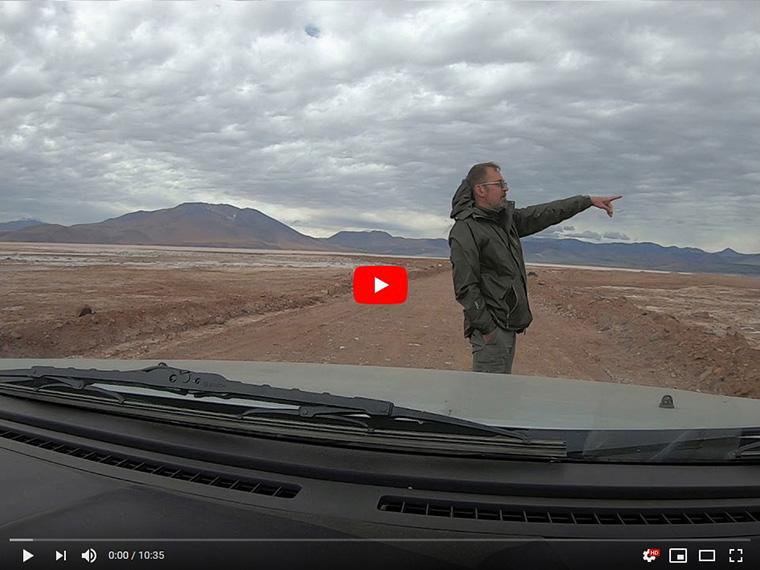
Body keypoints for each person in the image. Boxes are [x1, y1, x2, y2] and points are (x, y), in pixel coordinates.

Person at [449, 161, 622, 374]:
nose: (506, 188)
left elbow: (546, 213)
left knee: (498, 393)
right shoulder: (466, 229)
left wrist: (586, 201)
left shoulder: (504, 221)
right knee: (487, 397)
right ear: (480, 190)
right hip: (493, 330)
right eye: (499, 183)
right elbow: (465, 286)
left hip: (506, 324)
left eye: (505, 183)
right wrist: (487, 328)